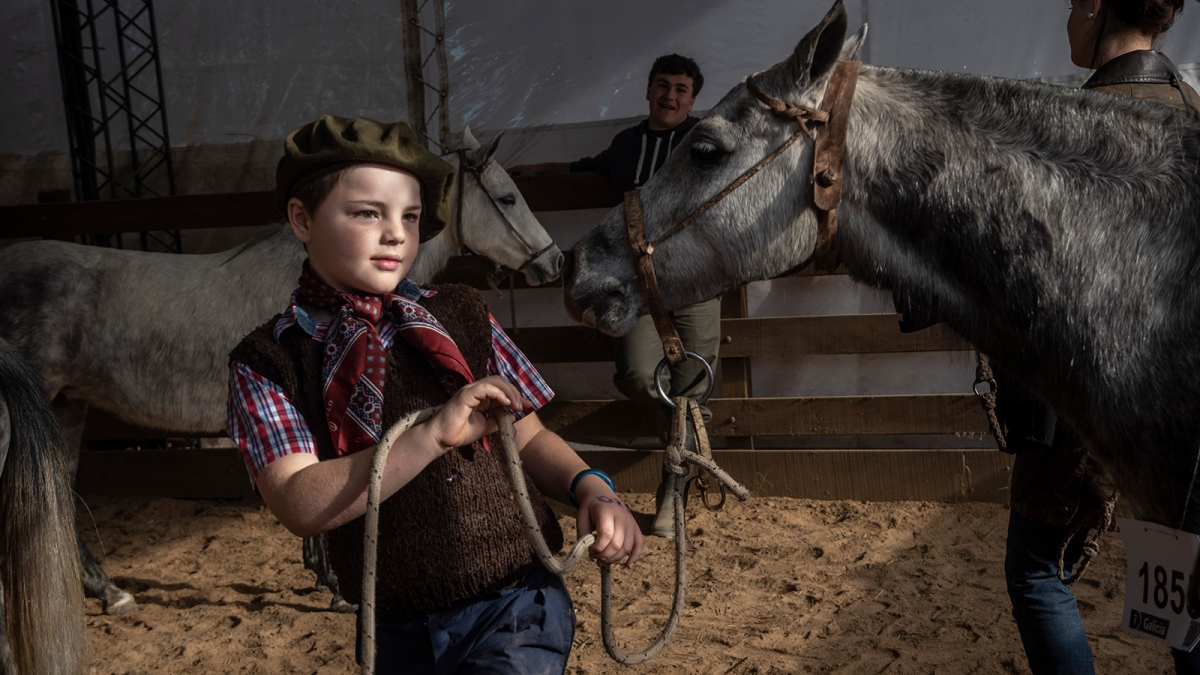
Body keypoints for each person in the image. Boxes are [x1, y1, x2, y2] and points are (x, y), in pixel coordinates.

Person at [226, 114, 643, 673]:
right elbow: (300, 502)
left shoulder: (462, 314)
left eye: (411, 217)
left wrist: (594, 489)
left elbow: (528, 432)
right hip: (394, 622)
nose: (396, 233)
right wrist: (430, 438)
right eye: (368, 213)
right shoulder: (269, 360)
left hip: (518, 604)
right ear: (301, 219)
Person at [1000, 2, 1200, 674]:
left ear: (1092, 6)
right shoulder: (1194, 113)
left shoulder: (1055, 127)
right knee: (1175, 576)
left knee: (1035, 567)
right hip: (1179, 402)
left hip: (1079, 400)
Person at [510, 54, 722, 538]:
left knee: (694, 384)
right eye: (663, 85)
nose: (671, 96)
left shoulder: (703, 142)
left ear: (693, 100)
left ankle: (674, 485)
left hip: (698, 277)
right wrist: (528, 170)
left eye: (681, 89)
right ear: (649, 91)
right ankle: (687, 431)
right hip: (639, 281)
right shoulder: (626, 145)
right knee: (636, 375)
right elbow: (584, 166)